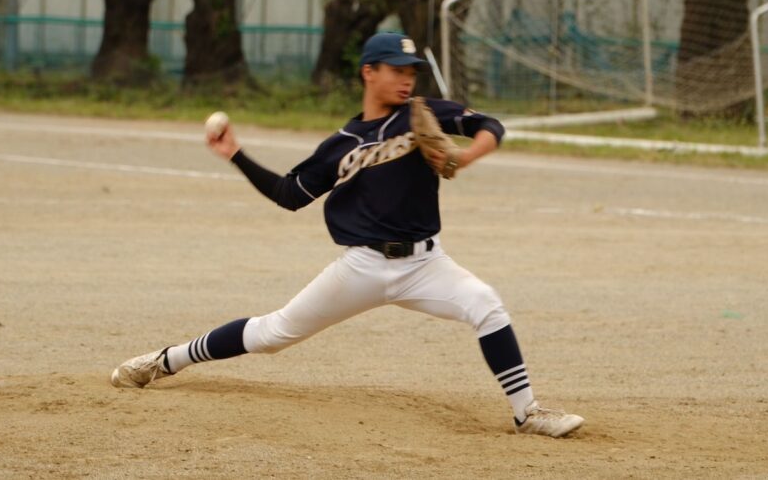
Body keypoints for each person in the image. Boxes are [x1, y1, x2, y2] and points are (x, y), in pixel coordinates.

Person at [111, 32, 584, 438]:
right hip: (364, 266)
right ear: (368, 73)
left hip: (426, 264)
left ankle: (528, 413)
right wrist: (235, 153)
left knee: (486, 303)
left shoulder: (422, 114)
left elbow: (488, 125)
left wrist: (463, 157)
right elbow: (289, 194)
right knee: (273, 334)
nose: (406, 78)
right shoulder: (341, 146)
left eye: (411, 70)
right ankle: (167, 359)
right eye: (396, 69)